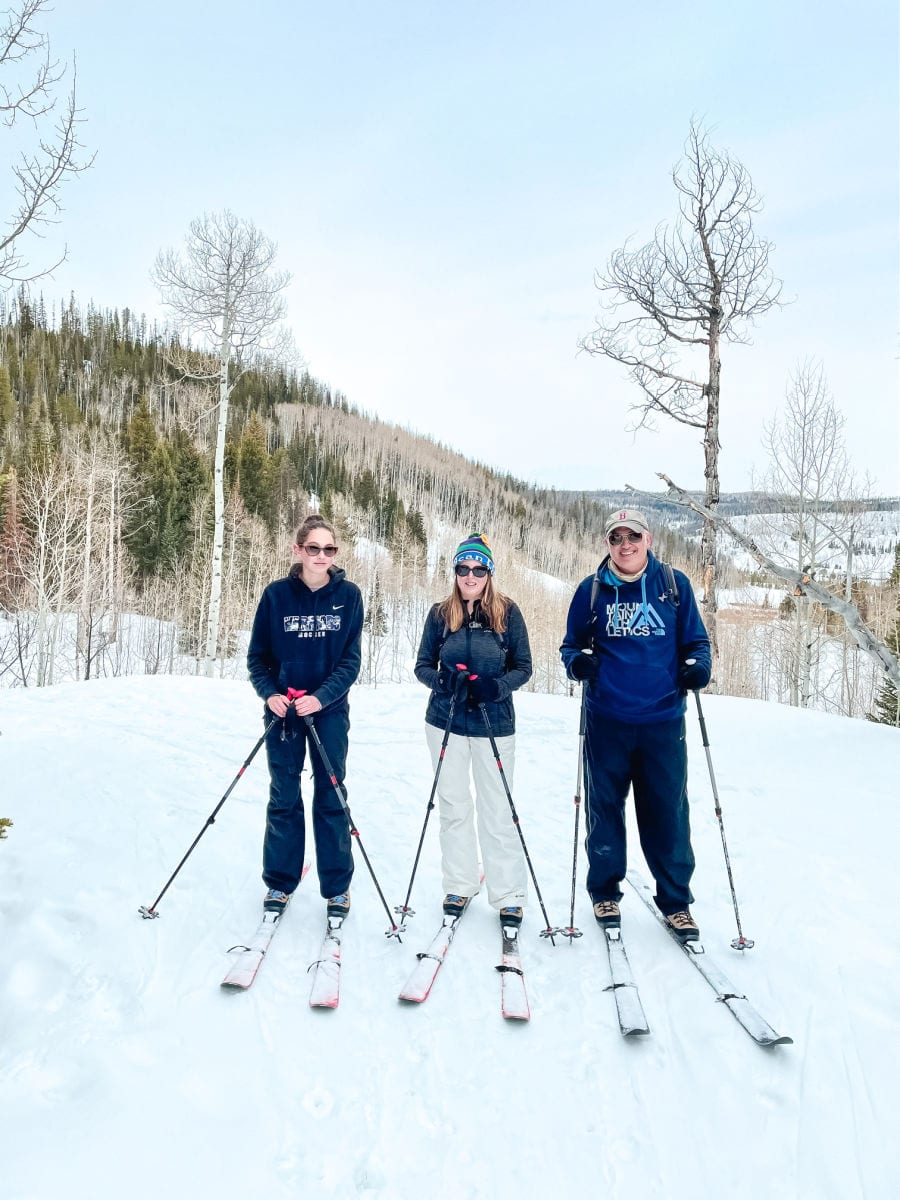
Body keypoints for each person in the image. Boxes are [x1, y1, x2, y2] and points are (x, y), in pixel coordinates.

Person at [560, 508, 711, 941]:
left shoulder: (673, 586)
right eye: (615, 538)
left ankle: (676, 902)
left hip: (663, 720)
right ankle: (604, 892)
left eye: (632, 536)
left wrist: (698, 667)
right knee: (604, 810)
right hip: (607, 719)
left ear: (648, 539)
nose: (624, 545)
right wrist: (578, 665)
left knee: (667, 813)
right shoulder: (592, 591)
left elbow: (697, 642)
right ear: (607, 544)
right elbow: (571, 646)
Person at [247, 515, 364, 919]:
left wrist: (322, 697)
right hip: (283, 714)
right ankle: (280, 882)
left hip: (328, 713)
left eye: (329, 549)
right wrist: (271, 694)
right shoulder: (276, 596)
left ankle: (337, 887)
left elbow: (350, 663)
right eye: (313, 548)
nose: (321, 556)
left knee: (331, 795)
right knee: (284, 795)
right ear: (298, 550)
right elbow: (257, 660)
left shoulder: (349, 596)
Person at [414, 534, 533, 926]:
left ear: (489, 573)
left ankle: (508, 894)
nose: (470, 575)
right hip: (445, 721)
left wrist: (494, 686)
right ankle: (459, 884)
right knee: (453, 806)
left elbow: (523, 668)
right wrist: (445, 682)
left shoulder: (508, 613)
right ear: (455, 572)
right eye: (463, 568)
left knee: (497, 809)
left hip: (494, 723)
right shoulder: (439, 614)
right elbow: (423, 666)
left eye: (478, 569)